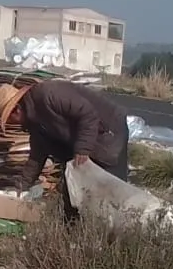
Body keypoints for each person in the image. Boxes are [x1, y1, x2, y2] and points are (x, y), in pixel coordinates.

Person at [13, 79, 130, 214]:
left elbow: (88, 114)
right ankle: (72, 228)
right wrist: (21, 187)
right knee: (73, 186)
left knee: (112, 189)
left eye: (10, 120)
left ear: (16, 110)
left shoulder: (48, 94)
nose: (14, 124)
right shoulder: (35, 121)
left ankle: (117, 230)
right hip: (83, 137)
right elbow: (36, 157)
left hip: (108, 130)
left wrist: (83, 149)